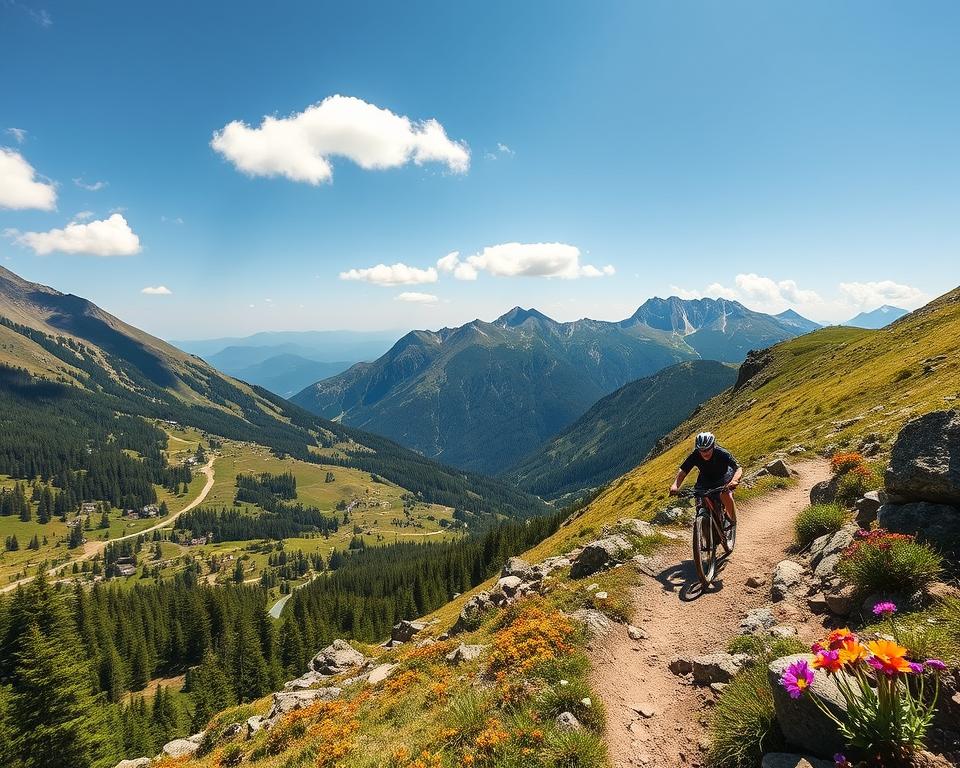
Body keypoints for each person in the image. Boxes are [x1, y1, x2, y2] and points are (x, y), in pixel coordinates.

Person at [669, 431, 742, 525]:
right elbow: (683, 471)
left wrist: (734, 481)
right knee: (700, 500)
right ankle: (703, 526)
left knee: (726, 494)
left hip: (723, 477)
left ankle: (731, 519)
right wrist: (675, 485)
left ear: (713, 446)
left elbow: (738, 468)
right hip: (705, 479)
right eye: (701, 450)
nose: (704, 452)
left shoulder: (722, 453)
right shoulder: (695, 455)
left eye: (707, 449)